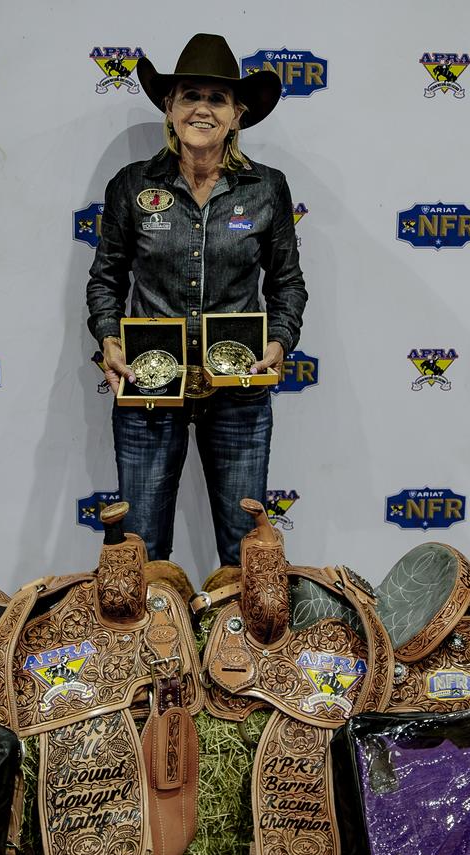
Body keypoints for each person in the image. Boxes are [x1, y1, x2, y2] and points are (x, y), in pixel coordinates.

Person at [86, 33, 307, 566]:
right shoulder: (130, 185)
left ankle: (240, 651)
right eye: (190, 95)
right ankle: (151, 651)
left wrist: (280, 342)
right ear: (170, 107)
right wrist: (109, 339)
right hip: (149, 387)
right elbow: (105, 281)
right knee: (139, 552)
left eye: (217, 99)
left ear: (237, 114)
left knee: (245, 553)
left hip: (239, 389)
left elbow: (287, 285)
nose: (202, 109)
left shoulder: (267, 188)